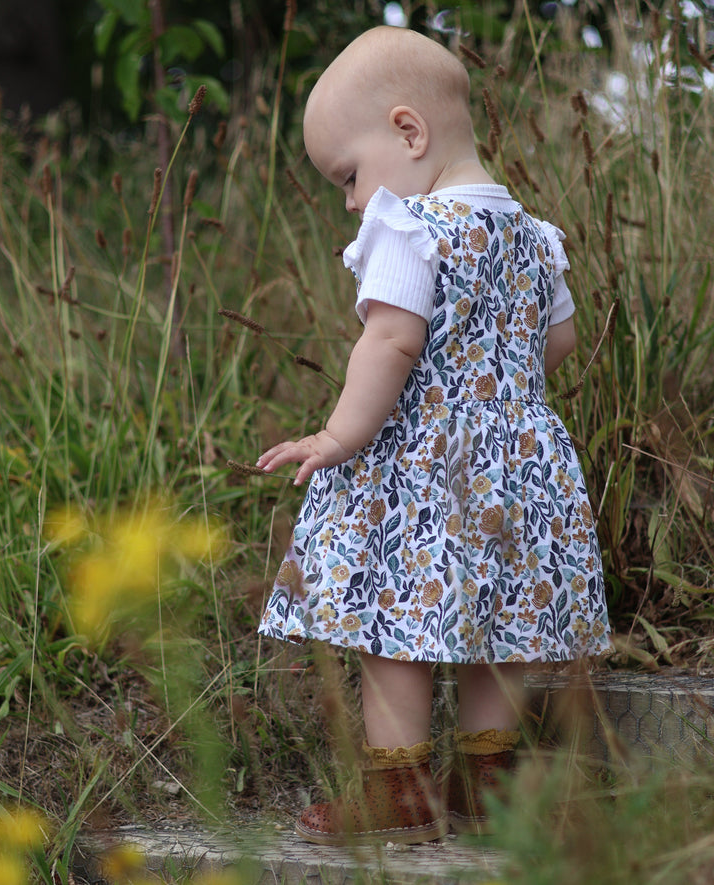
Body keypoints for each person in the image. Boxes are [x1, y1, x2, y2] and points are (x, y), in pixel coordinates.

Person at [257, 25, 611, 845]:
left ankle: (403, 790)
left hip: (429, 464)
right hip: (523, 464)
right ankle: (489, 784)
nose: (352, 200)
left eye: (349, 175)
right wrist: (502, 399)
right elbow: (555, 344)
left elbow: (391, 340)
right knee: (503, 625)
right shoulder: (535, 237)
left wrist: (339, 435)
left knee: (395, 621)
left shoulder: (410, 229)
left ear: (408, 133)